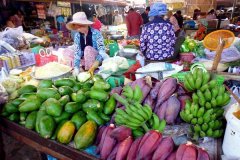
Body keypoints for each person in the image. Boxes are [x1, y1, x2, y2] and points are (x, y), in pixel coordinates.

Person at [66, 12, 109, 76]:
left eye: (79, 27)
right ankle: (81, 68)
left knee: (88, 49)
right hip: (83, 59)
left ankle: (89, 71)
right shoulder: (77, 35)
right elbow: (77, 52)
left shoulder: (96, 33)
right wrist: (76, 67)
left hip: (95, 60)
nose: (78, 30)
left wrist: (94, 66)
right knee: (67, 51)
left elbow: (102, 51)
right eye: (77, 28)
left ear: (85, 25)